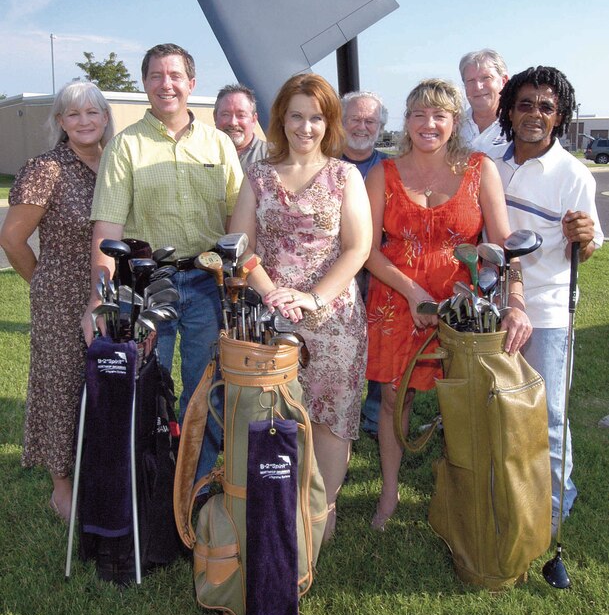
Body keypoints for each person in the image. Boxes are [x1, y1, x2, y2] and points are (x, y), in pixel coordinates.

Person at [365, 78, 531, 531]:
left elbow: (503, 246)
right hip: (397, 302)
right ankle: (389, 492)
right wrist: (412, 292)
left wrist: (515, 300)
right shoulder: (384, 173)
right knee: (393, 401)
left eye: (438, 114)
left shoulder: (480, 169)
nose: (428, 124)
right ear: (407, 121)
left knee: (463, 402)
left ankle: (462, 490)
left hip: (462, 308)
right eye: (418, 114)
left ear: (453, 121)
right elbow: (367, 249)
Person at [83, 43, 243, 481]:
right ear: (145, 84)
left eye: (175, 76)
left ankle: (197, 487)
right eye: (156, 75)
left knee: (205, 392)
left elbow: (237, 223)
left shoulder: (219, 145)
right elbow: (107, 233)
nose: (166, 84)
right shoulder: (124, 147)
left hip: (207, 287)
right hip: (145, 286)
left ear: (192, 84)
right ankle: (149, 486)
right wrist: (98, 300)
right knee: (146, 389)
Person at [229, 73, 372, 541]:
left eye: (316, 117)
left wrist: (312, 298)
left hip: (333, 320)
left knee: (331, 418)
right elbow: (240, 247)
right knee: (276, 415)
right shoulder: (259, 177)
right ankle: (279, 503)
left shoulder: (344, 176)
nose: (305, 127)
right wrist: (272, 294)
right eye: (296, 115)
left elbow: (357, 248)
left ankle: (321, 514)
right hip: (270, 320)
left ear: (328, 122)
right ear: (281, 119)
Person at [494, 66, 603, 534]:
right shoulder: (489, 162)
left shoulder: (573, 173)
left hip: (551, 308)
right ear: (509, 111)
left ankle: (556, 505)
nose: (534, 114)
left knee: (549, 412)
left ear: (560, 117)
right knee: (499, 406)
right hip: (495, 306)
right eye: (525, 104)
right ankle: (506, 489)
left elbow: (589, 244)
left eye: (546, 107)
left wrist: (585, 238)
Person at [0, 82, 114, 522]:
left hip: (110, 293)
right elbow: (11, 238)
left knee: (107, 384)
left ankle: (102, 471)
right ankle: (61, 486)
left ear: (105, 117)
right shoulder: (46, 168)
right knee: (61, 388)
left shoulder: (115, 164)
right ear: (60, 122)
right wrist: (42, 281)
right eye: (73, 114)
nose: (84, 121)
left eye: (92, 112)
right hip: (61, 297)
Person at [340, 90, 390, 439]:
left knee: (379, 343)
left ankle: (373, 417)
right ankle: (338, 412)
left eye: (370, 120)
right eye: (355, 119)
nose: (362, 126)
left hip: (379, 271)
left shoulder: (390, 169)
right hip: (335, 272)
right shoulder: (324, 164)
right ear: (341, 123)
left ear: (381, 126)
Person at [459, 49, 509, 154]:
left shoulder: (518, 126)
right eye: (471, 81)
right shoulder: (453, 127)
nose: (478, 87)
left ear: (504, 81)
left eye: (486, 78)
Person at [213, 83, 268, 168]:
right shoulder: (201, 154)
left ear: (253, 119)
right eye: (226, 114)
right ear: (215, 117)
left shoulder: (274, 158)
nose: (233, 122)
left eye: (241, 115)